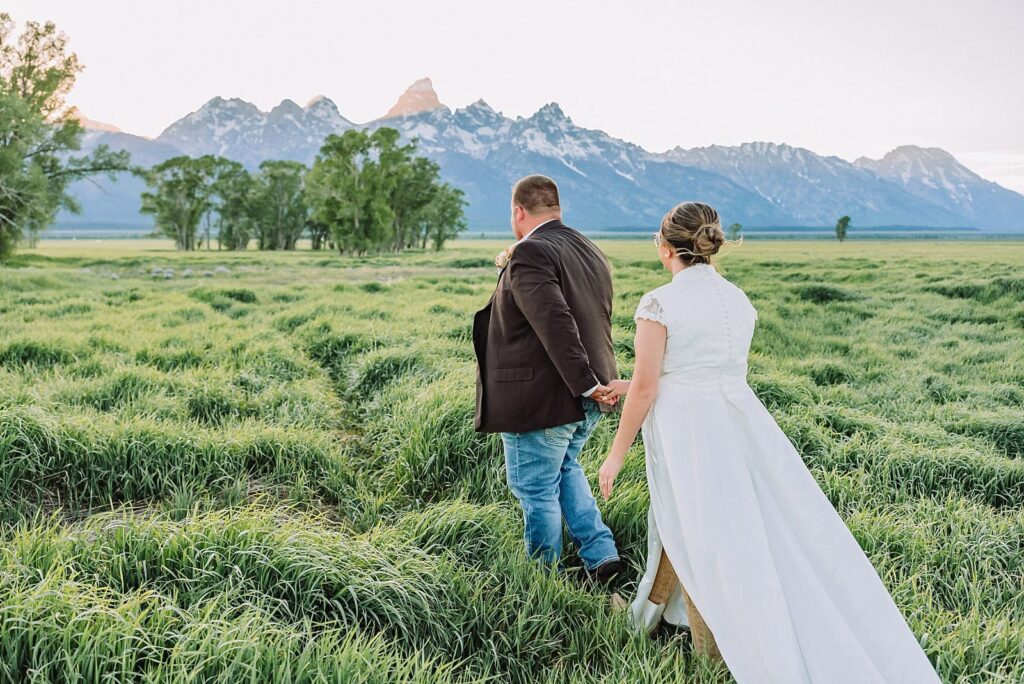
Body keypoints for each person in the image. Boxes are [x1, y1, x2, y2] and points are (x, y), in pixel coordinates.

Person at [598, 201, 942, 682]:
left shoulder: (660, 302)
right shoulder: (737, 300)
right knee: (734, 529)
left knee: (703, 535)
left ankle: (715, 645)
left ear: (664, 248)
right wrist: (629, 385)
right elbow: (696, 368)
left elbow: (650, 387)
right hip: (740, 425)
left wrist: (615, 454)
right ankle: (657, 610)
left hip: (689, 432)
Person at [473, 174, 624, 582]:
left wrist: (584, 382)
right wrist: (595, 386)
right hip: (591, 393)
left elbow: (555, 322)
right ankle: (601, 554)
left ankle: (544, 580)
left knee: (536, 489)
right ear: (557, 209)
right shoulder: (588, 248)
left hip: (545, 398)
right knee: (566, 469)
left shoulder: (530, 252)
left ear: (518, 213)